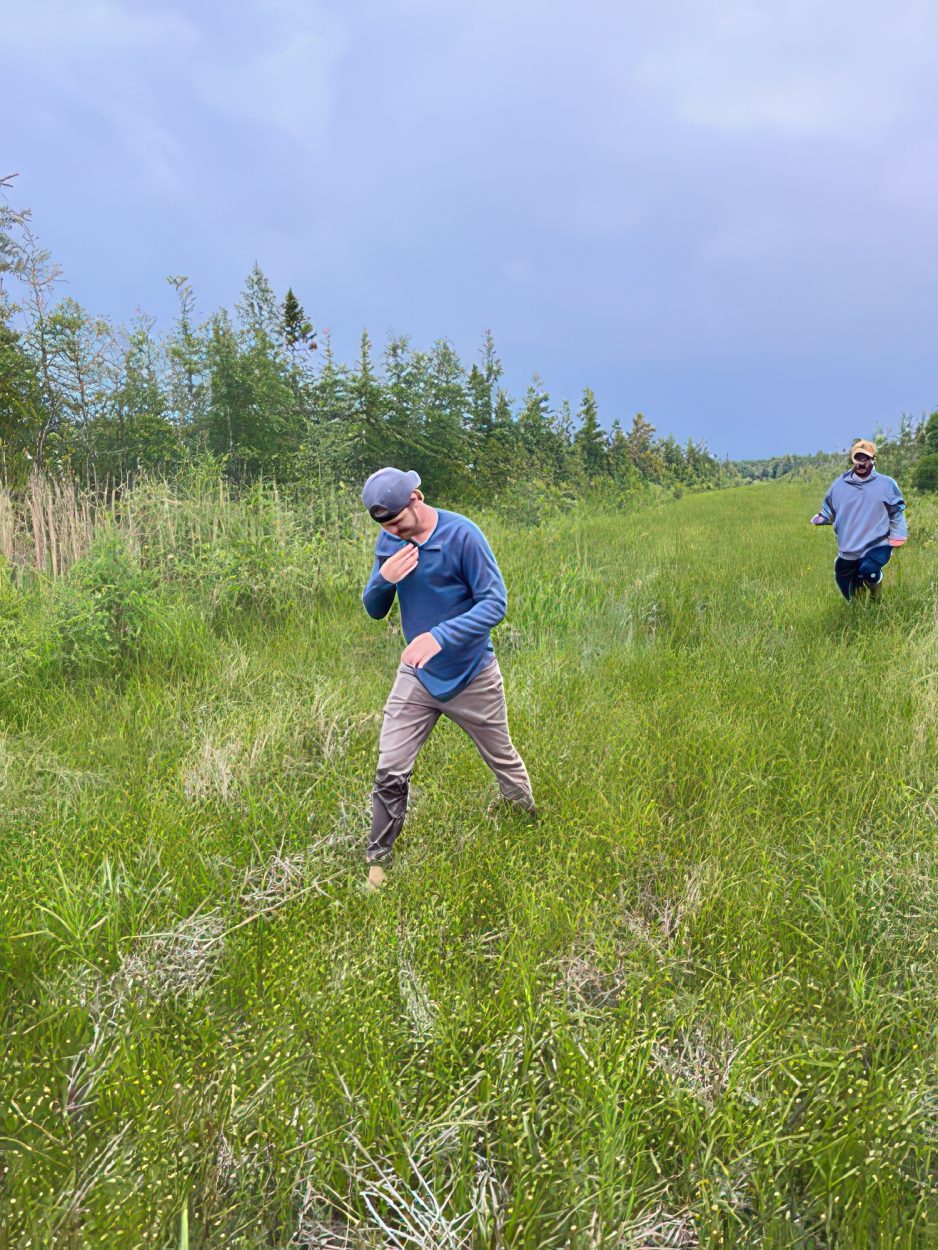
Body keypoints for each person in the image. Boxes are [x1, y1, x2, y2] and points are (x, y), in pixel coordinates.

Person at [359, 467, 535, 888]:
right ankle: (378, 865)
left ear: (417, 498)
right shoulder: (391, 540)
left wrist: (440, 636)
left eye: (399, 521)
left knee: (503, 758)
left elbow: (495, 604)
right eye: (387, 526)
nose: (395, 532)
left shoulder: (463, 535)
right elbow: (373, 607)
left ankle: (527, 823)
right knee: (390, 767)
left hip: (472, 673)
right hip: (418, 677)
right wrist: (384, 580)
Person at [811, 439, 907, 600]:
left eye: (866, 458)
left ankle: (876, 596)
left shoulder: (887, 484)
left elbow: (897, 511)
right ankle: (858, 606)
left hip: (877, 543)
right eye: (858, 458)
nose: (861, 463)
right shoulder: (839, 484)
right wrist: (823, 517)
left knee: (869, 570)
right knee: (844, 577)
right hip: (849, 545)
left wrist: (898, 535)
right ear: (853, 459)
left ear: (873, 459)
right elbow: (829, 505)